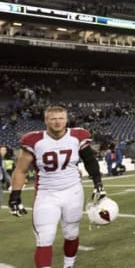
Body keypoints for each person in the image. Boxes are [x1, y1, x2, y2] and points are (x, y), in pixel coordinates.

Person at [8, 105, 106, 268]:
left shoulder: (77, 136)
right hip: (46, 194)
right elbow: (21, 170)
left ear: (66, 119)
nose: (57, 122)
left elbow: (89, 160)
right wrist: (15, 196)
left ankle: (69, 265)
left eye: (61, 118)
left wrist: (98, 183)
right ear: (46, 120)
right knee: (45, 237)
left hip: (73, 192)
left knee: (71, 233)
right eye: (53, 118)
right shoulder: (34, 140)